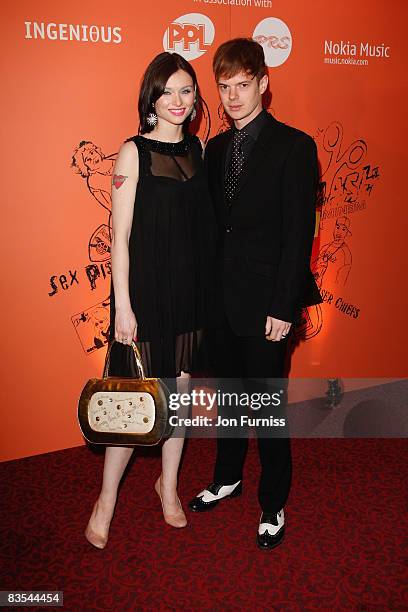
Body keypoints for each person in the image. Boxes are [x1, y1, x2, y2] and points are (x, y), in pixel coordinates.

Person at [188, 38, 321, 550]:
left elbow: (298, 236)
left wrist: (283, 307)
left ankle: (273, 502)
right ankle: (228, 477)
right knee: (227, 399)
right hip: (221, 304)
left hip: (267, 307)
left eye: (244, 85)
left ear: (264, 84)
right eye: (225, 87)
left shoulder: (295, 146)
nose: (234, 96)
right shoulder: (217, 148)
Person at [85, 52, 216, 548]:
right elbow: (118, 237)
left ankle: (169, 490)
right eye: (168, 92)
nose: (177, 101)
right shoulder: (132, 152)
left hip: (190, 296)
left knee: (177, 401)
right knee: (132, 406)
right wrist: (124, 305)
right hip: (145, 296)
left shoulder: (200, 150)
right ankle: (106, 501)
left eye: (186, 90)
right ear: (151, 98)